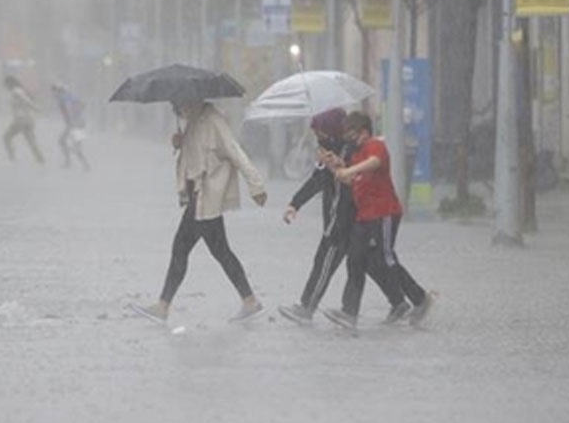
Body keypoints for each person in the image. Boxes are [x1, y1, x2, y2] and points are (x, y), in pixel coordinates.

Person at [130, 99, 267, 323]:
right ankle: (250, 301)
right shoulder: (194, 122)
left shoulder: (213, 121)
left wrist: (256, 184)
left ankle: (163, 306)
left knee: (181, 249)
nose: (181, 111)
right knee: (220, 251)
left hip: (205, 198)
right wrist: (180, 144)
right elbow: (195, 156)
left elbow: (234, 150)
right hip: (198, 198)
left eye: (182, 106)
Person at [279, 109, 410, 326]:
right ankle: (399, 301)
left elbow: (353, 182)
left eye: (320, 132)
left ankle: (307, 307)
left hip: (345, 221)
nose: (318, 137)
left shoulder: (352, 150)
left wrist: (336, 166)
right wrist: (295, 204)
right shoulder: (328, 151)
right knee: (368, 264)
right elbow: (316, 180)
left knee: (326, 262)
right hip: (350, 220)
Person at [321, 112, 435, 330]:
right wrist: (335, 165)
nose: (350, 140)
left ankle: (420, 299)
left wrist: (349, 168)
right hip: (364, 216)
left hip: (384, 214)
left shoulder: (375, 146)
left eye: (353, 135)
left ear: (364, 132)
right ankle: (350, 312)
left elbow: (374, 163)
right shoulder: (356, 155)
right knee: (356, 259)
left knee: (385, 259)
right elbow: (348, 179)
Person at [2, 75, 45, 165]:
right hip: (28, 119)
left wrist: (35, 107)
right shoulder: (21, 90)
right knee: (31, 141)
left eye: (6, 85)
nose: (5, 87)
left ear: (10, 83)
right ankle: (41, 160)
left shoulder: (16, 91)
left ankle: (12, 158)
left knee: (6, 137)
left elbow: (26, 100)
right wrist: (35, 108)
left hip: (20, 120)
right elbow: (26, 100)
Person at [51, 82, 91, 172]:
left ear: (58, 91)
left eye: (55, 92)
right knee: (64, 142)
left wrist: (73, 120)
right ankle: (72, 162)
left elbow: (74, 109)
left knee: (73, 146)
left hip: (76, 124)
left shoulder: (65, 99)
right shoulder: (68, 97)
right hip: (76, 124)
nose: (53, 95)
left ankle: (83, 165)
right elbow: (82, 105)